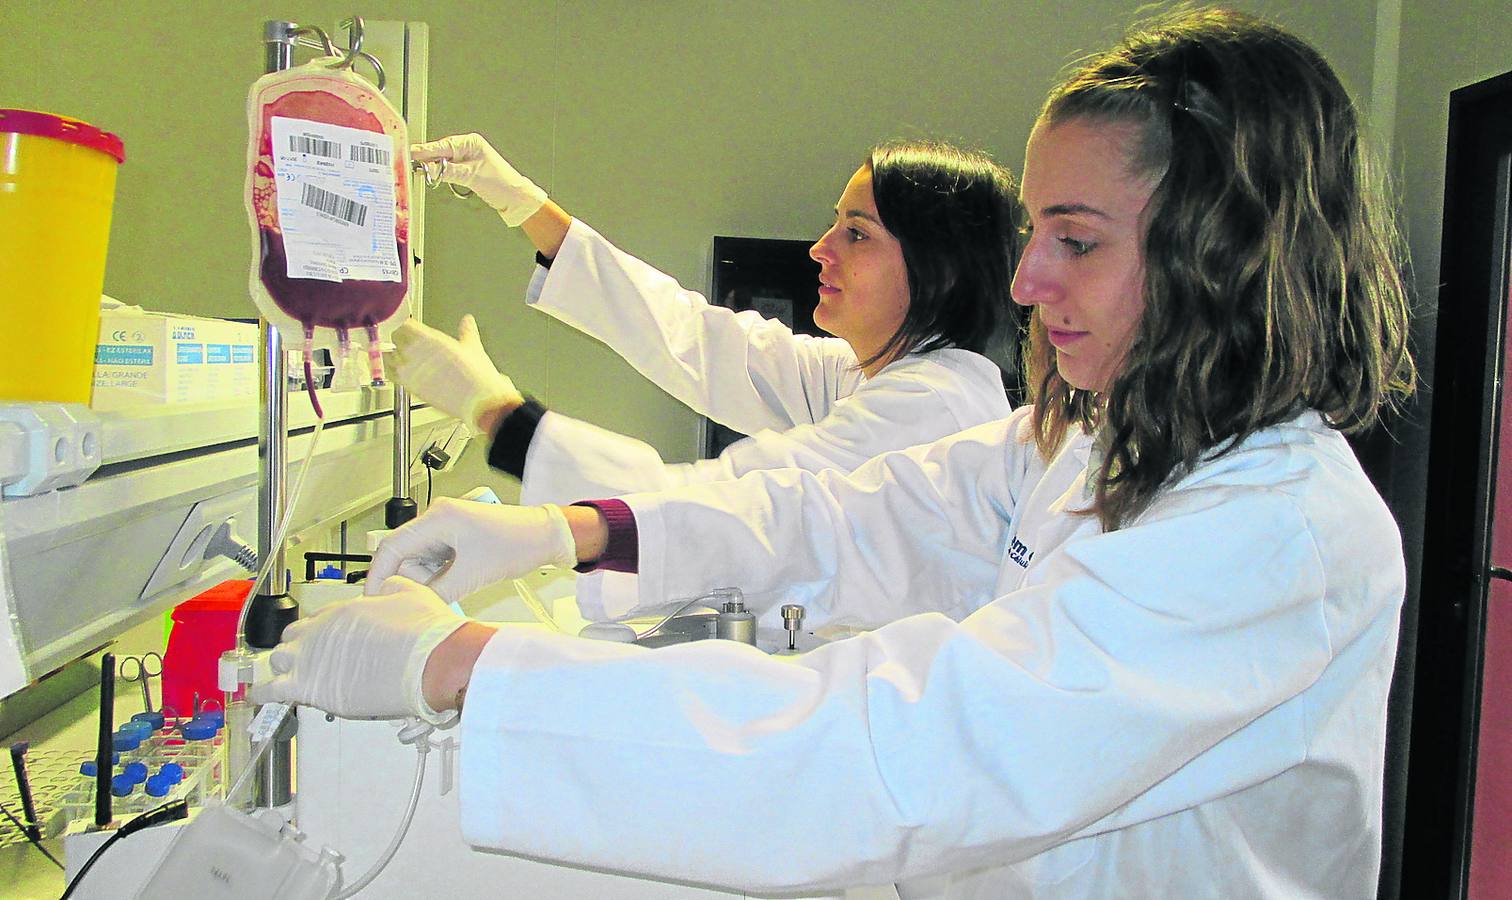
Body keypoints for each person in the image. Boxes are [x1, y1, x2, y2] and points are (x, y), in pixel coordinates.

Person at [256, 6, 1416, 896]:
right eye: (1036, 235)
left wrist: (469, 664)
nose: (1026, 282)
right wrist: (573, 530)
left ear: (1222, 254)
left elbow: (908, 751)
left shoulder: (1270, 534)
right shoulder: (1090, 440)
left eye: (1076, 241)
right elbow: (836, 514)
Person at [396, 137, 1021, 508]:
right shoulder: (868, 374)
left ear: (939, 270)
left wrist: (497, 415)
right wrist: (523, 203)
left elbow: (720, 507)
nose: (819, 249)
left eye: (856, 234)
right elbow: (696, 337)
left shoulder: (929, 411)